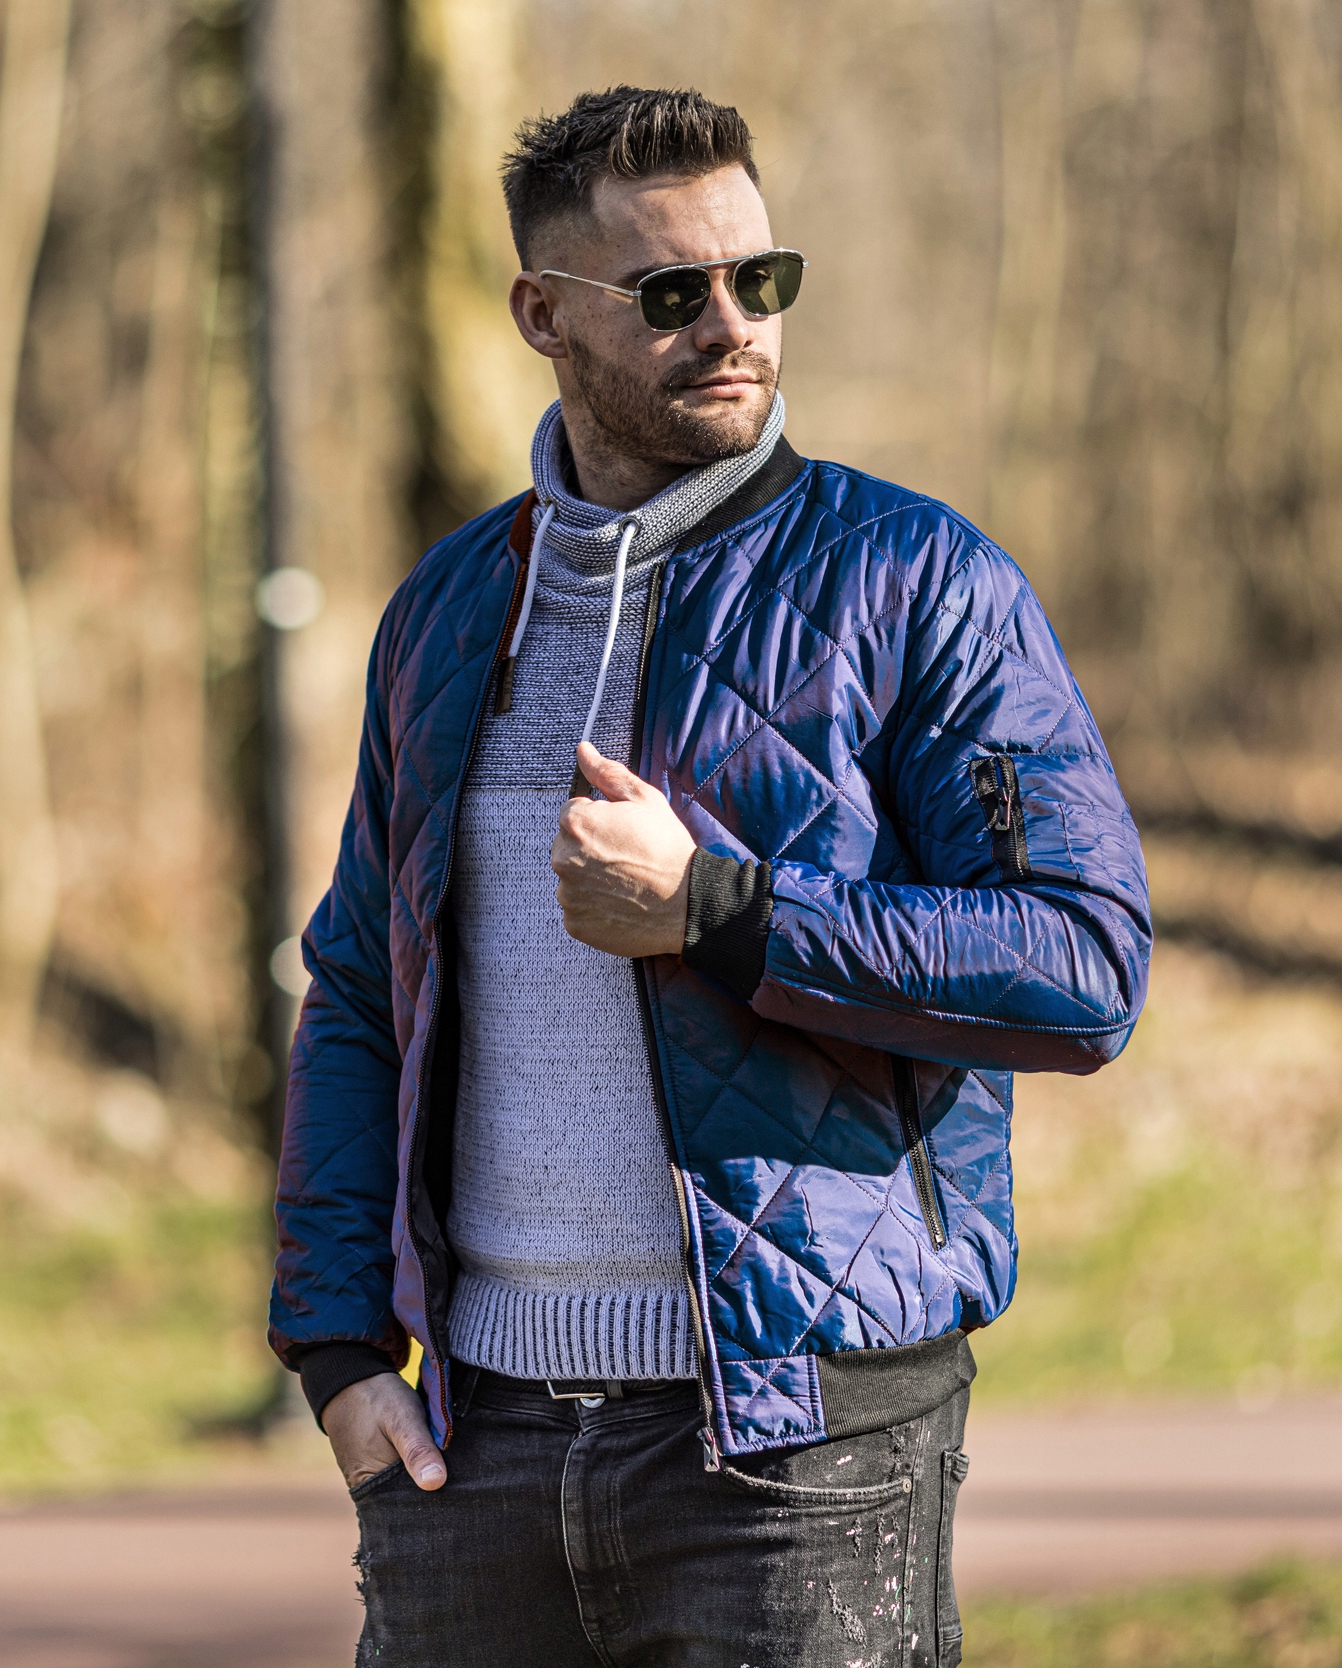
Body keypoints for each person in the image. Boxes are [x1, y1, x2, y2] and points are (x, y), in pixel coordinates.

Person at [268, 85, 1152, 1667]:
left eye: (762, 278)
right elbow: (357, 987)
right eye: (673, 292)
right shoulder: (447, 609)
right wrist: (337, 1350)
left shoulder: (918, 582)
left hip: (797, 1453)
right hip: (473, 1453)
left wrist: (717, 911)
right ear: (543, 313)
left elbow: (1081, 965)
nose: (733, 324)